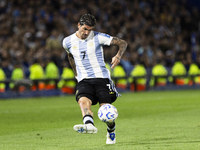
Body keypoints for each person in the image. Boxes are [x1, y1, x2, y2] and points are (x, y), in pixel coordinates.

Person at [62, 14, 127, 144]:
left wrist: (118, 56)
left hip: (101, 78)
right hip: (84, 79)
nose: (87, 32)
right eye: (85, 29)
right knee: (83, 101)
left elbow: (122, 43)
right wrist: (76, 74)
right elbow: (70, 56)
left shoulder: (98, 37)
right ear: (78, 25)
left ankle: (111, 129)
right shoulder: (67, 41)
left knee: (105, 110)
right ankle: (89, 125)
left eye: (90, 30)